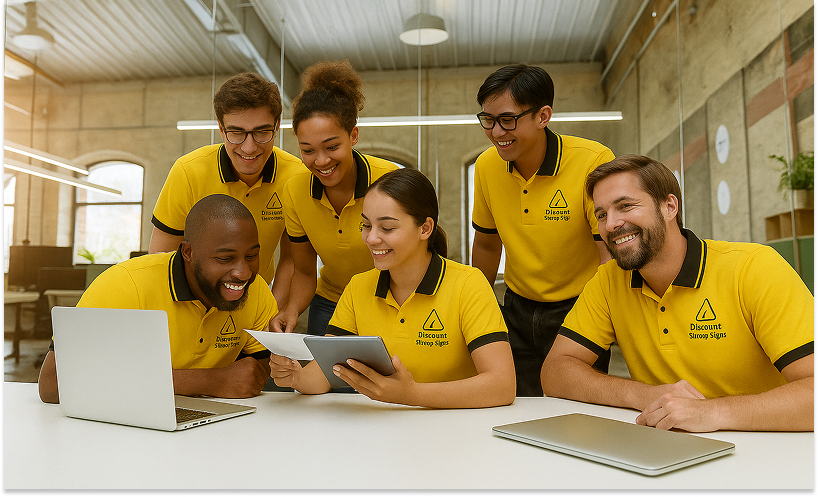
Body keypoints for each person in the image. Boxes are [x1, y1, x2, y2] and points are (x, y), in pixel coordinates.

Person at [541, 155, 814, 432]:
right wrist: (644, 394)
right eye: (601, 214)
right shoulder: (608, 282)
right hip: (667, 448)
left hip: (767, 449)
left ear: (670, 206)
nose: (610, 224)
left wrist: (712, 413)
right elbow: (555, 372)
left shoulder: (753, 268)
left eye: (625, 206)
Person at [269, 169, 516, 408]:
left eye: (387, 228)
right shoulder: (358, 287)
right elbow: (324, 374)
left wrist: (412, 394)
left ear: (425, 228)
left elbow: (502, 385)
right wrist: (295, 376)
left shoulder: (468, 285)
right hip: (380, 433)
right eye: (366, 225)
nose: (371, 238)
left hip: (453, 434)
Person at [39, 194, 277, 403]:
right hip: (125, 428)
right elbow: (54, 385)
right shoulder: (124, 285)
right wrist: (209, 381)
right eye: (225, 258)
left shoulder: (255, 291)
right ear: (188, 253)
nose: (243, 272)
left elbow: (255, 372)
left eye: (251, 256)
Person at [471, 63, 614, 396]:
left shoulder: (592, 160)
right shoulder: (486, 166)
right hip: (517, 307)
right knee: (518, 402)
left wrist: (600, 314)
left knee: (575, 407)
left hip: (579, 306)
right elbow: (488, 246)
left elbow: (607, 251)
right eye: (487, 120)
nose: (496, 132)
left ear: (543, 116)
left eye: (507, 120)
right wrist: (477, 306)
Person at [149, 72, 303, 306]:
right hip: (194, 300)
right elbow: (161, 260)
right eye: (236, 133)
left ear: (277, 126)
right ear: (221, 128)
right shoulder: (188, 172)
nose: (249, 147)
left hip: (253, 298)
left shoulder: (296, 176)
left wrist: (272, 311)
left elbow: (291, 260)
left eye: (262, 132)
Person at [270, 60, 397, 336]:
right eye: (308, 150)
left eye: (332, 146)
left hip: (388, 300)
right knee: (326, 379)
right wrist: (290, 310)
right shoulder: (294, 191)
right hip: (330, 303)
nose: (321, 160)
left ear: (353, 136)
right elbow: (304, 272)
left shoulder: (389, 180)